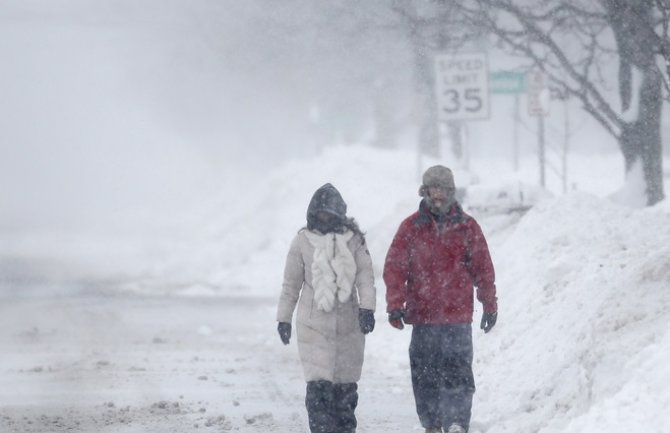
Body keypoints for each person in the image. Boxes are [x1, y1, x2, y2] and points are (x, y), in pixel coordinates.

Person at [383, 165, 498, 433]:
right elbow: (395, 268)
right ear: (425, 191)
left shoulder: (467, 227)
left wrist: (489, 304)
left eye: (444, 189)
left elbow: (483, 268)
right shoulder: (410, 227)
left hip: (457, 317)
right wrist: (395, 305)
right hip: (423, 318)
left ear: (451, 191)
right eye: (434, 189)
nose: (439, 195)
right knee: (425, 377)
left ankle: (457, 422)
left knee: (458, 372)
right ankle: (433, 424)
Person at [276, 183, 377, 433]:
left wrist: (367, 309)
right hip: (313, 326)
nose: (325, 218)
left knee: (345, 393)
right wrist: (284, 319)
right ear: (312, 214)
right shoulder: (302, 242)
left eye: (329, 214)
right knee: (319, 390)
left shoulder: (354, 241)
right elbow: (291, 284)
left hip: (349, 326)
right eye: (320, 214)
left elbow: (366, 277)